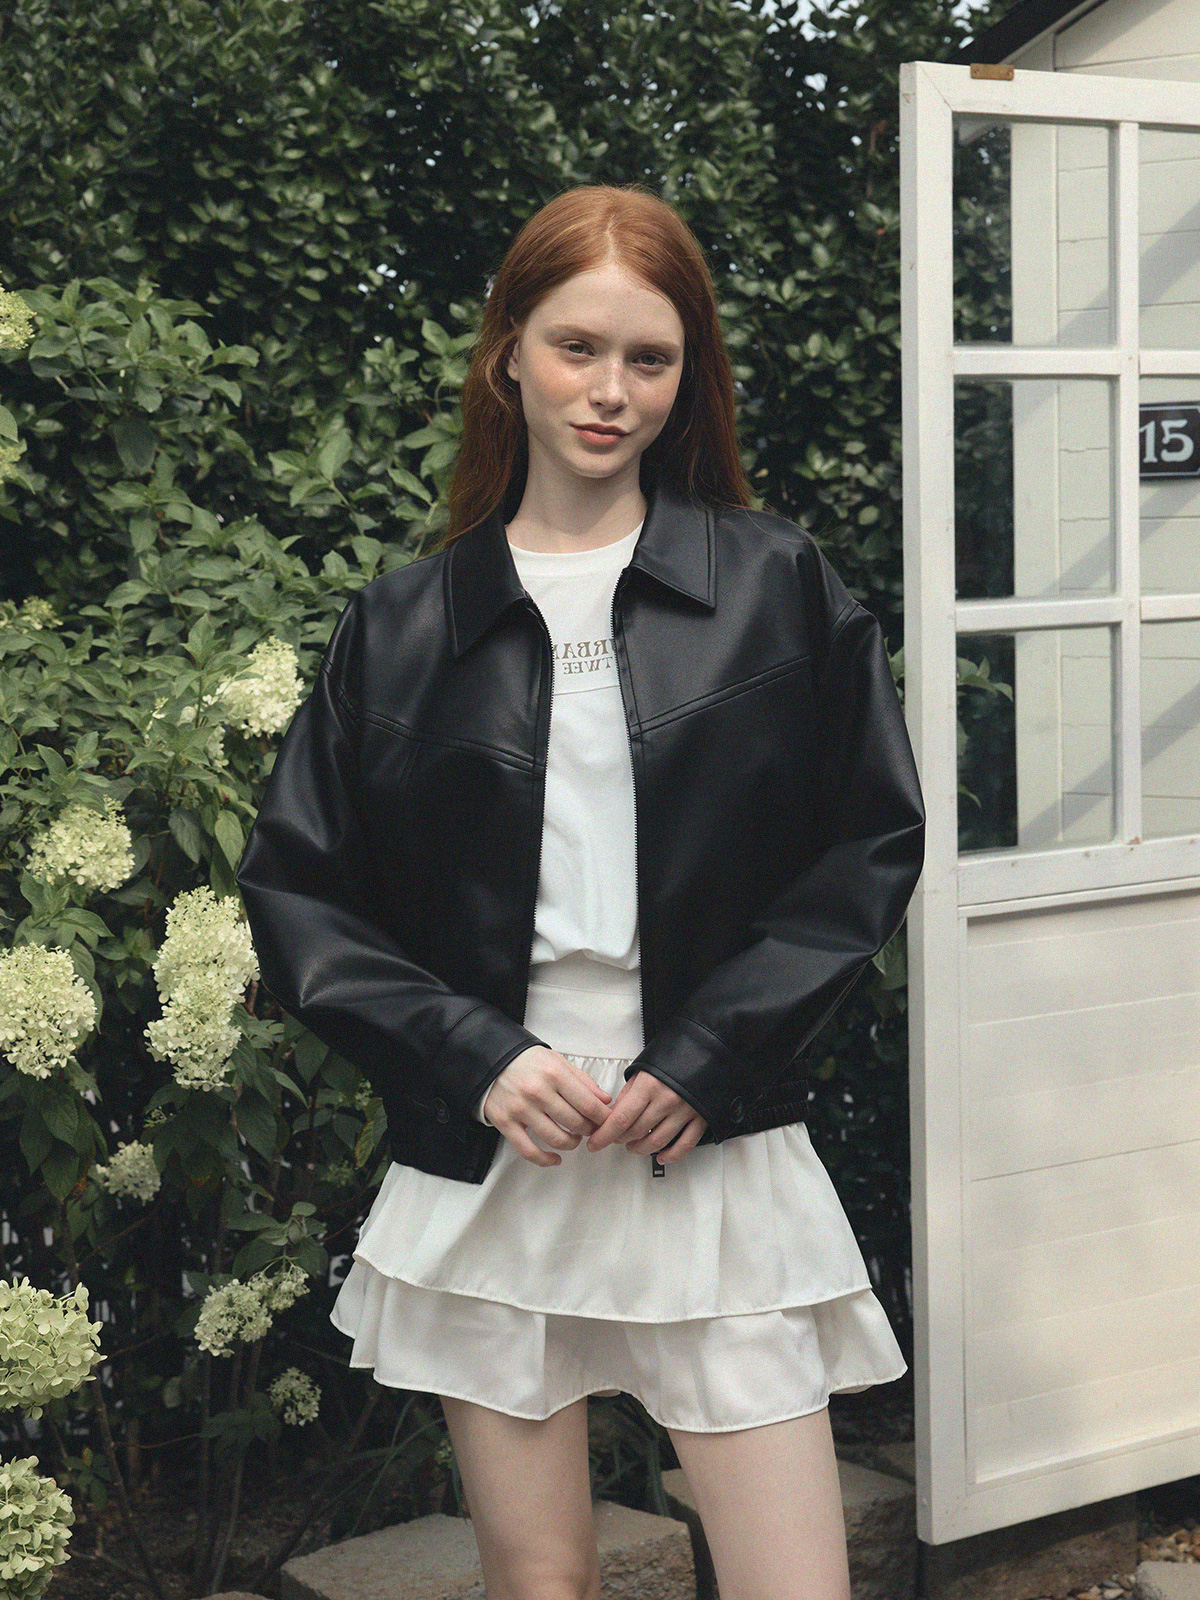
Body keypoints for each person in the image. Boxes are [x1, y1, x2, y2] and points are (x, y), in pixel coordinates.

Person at [237, 183, 925, 1600]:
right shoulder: (401, 625)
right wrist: (475, 1058)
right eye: (577, 347)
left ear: (688, 377)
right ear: (509, 353)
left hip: (709, 1147)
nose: (611, 391)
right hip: (507, 1151)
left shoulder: (777, 585)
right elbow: (300, 891)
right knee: (539, 1582)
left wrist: (714, 1054)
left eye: (650, 358)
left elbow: (867, 841)